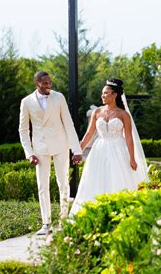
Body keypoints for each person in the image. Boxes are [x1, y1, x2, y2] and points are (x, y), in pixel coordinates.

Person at [69, 78, 149, 216]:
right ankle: (94, 212)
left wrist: (132, 158)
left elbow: (129, 137)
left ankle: (121, 212)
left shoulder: (123, 114)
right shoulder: (97, 112)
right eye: (102, 93)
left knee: (117, 178)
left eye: (106, 93)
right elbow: (89, 133)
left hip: (119, 149)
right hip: (99, 149)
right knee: (95, 179)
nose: (103, 96)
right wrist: (78, 150)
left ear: (114, 95)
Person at [19, 71, 83, 235]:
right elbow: (23, 130)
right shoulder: (26, 102)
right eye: (45, 84)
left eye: (50, 83)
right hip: (40, 149)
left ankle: (63, 221)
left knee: (63, 183)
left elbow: (68, 123)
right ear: (37, 83)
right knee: (42, 185)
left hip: (60, 145)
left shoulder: (58, 97)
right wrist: (29, 153)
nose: (48, 86)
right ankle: (46, 223)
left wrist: (76, 150)